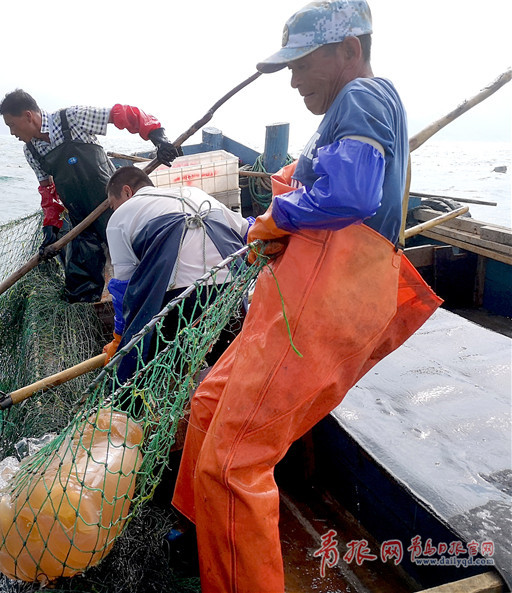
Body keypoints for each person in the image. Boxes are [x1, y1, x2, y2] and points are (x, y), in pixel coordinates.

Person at [171, 1, 443, 591]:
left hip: (327, 301)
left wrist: (279, 215)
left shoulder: (363, 96)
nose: (293, 79)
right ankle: (208, 543)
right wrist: (278, 225)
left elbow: (351, 193)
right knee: (207, 407)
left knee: (233, 462)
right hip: (294, 299)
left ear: (350, 50)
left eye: (302, 63)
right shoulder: (347, 111)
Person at [0, 90, 181, 303]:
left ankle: (166, 300)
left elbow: (123, 114)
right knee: (79, 284)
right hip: (81, 220)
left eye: (11, 124)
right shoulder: (31, 150)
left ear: (28, 116)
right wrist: (51, 228)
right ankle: (91, 316)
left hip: (113, 205)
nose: (12, 132)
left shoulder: (71, 118)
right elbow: (48, 192)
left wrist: (158, 138)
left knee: (142, 259)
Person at [101, 166, 252, 383]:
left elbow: (124, 288)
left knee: (154, 366)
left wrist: (119, 338)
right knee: (229, 364)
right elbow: (247, 231)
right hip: (231, 291)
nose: (114, 211)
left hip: (179, 302)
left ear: (127, 192)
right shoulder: (195, 193)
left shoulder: (120, 218)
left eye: (113, 205)